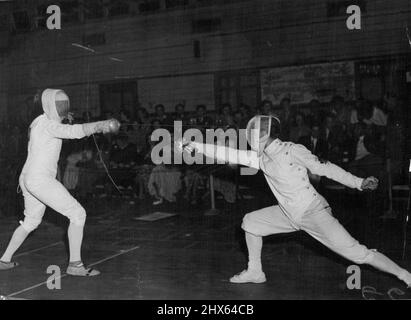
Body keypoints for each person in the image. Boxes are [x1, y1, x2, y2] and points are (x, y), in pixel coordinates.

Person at [179, 115, 411, 287]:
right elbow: (228, 154)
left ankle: (405, 275)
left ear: (266, 132)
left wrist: (359, 182)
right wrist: (195, 145)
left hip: (313, 213)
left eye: (256, 131)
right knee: (251, 222)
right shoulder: (262, 158)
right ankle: (255, 271)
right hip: (288, 214)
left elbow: (326, 168)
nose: (251, 135)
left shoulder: (292, 150)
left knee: (358, 254)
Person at [0, 89, 117, 276]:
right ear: (50, 106)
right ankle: (75, 265)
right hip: (40, 179)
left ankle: (4, 260)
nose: (63, 108)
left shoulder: (39, 121)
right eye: (60, 105)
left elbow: (55, 126)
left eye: (65, 104)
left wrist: (62, 119)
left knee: (30, 222)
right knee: (78, 214)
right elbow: (72, 132)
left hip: (27, 177)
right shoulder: (49, 125)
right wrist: (99, 125)